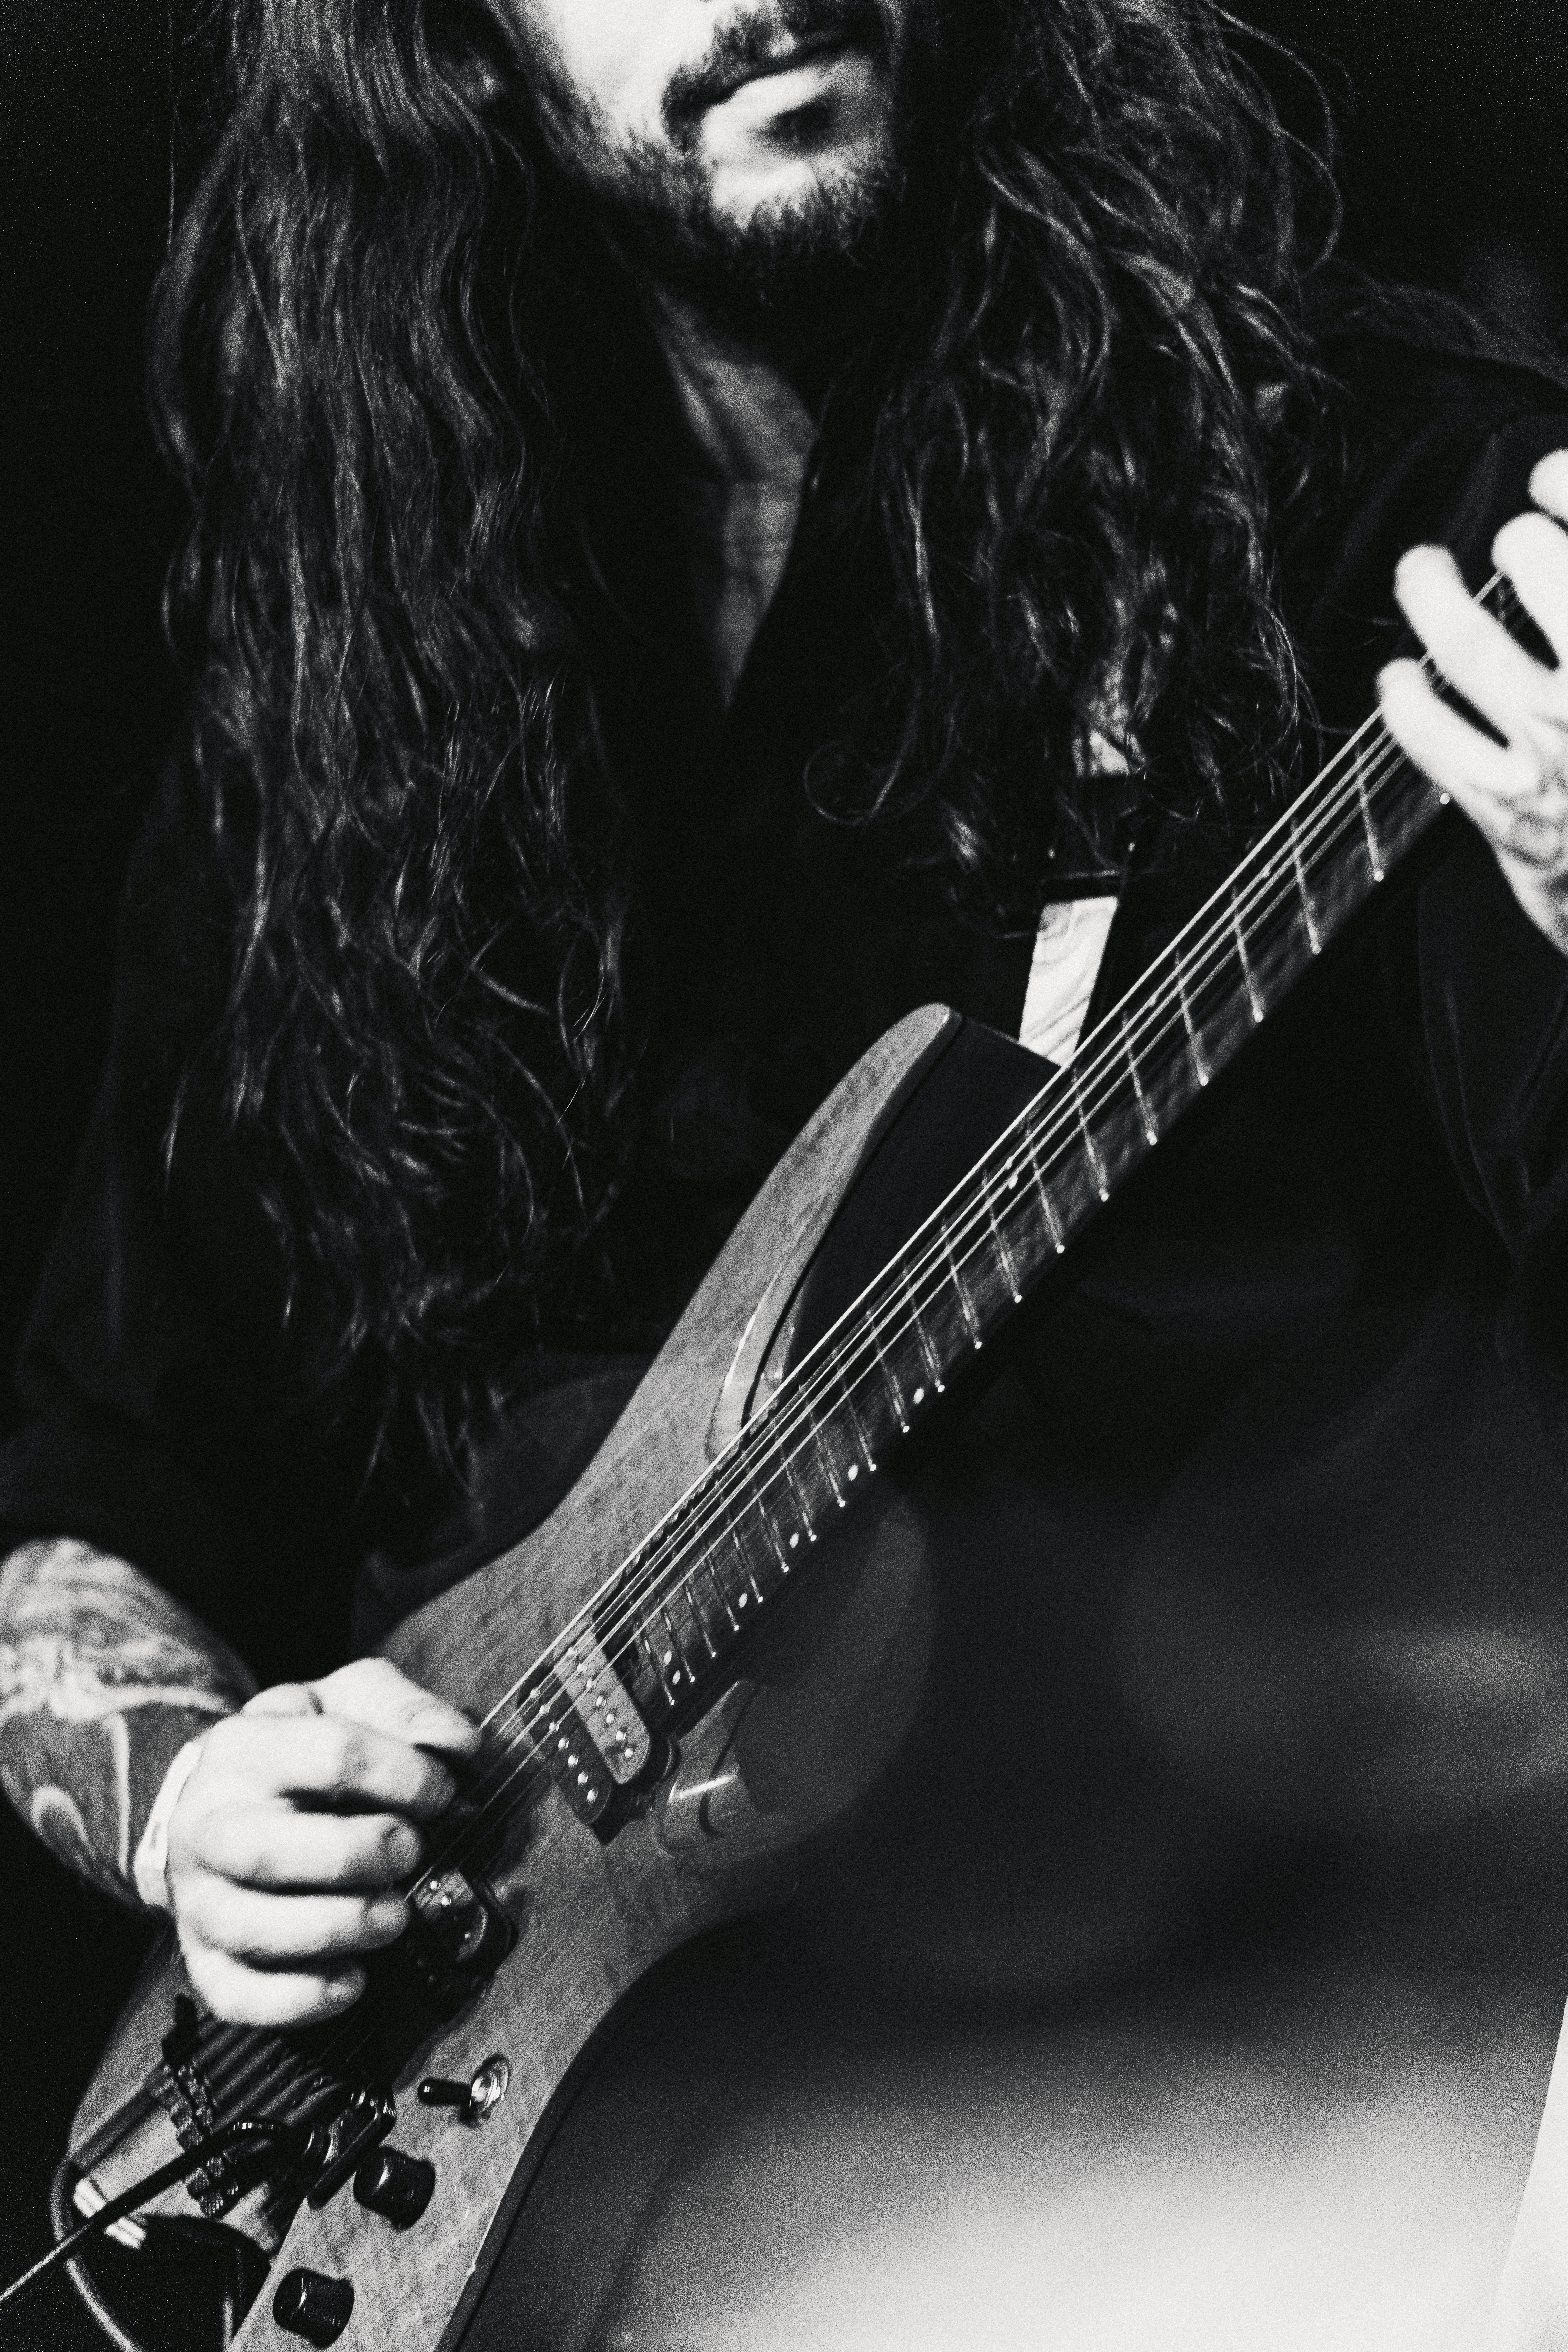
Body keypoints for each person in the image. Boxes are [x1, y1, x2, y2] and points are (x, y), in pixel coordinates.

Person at [6, 0, 1568, 2339]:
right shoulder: (340, 735)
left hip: (1212, 2121)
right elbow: (85, 1515)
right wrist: (194, 1804)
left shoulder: (1391, 537)